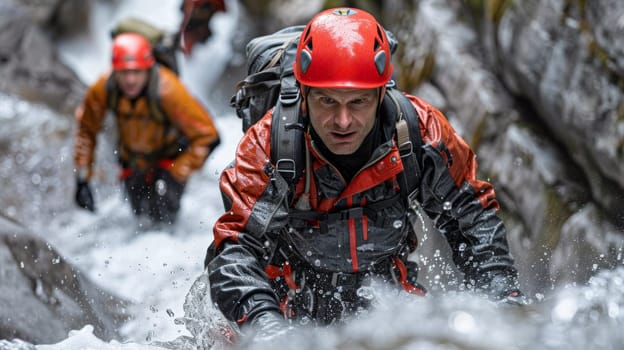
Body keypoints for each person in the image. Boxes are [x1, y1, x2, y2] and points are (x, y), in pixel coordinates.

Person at [207, 7, 524, 339]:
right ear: (304, 95)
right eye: (327, 102)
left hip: (387, 305)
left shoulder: (421, 134)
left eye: (357, 102)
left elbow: (473, 218)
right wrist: (267, 330)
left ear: (380, 94)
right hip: (284, 306)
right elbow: (234, 250)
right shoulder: (269, 146)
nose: (343, 121)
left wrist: (502, 306)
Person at [73, 32, 220, 225]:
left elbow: (209, 136)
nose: (130, 80)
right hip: (133, 163)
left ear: (148, 69)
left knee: (165, 223)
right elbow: (86, 129)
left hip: (168, 162)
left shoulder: (168, 89)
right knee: (140, 221)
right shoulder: (104, 88)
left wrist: (177, 171)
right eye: (124, 73)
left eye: (137, 72)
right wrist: (83, 179)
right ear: (114, 70)